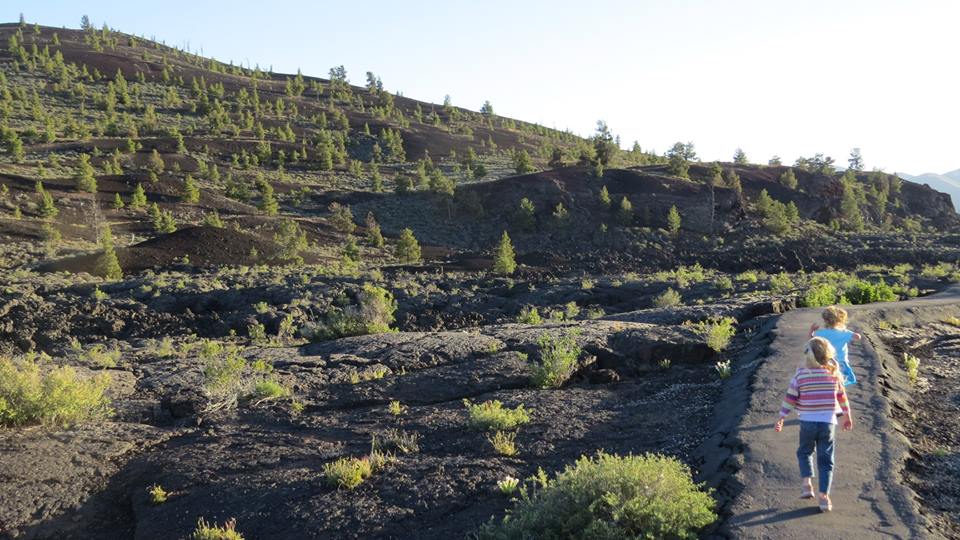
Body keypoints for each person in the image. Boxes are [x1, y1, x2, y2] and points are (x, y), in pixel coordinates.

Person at [775, 337, 854, 512]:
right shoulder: (833, 375)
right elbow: (842, 398)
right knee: (826, 461)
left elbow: (790, 398)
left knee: (804, 452)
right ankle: (824, 497)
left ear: (807, 356)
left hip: (807, 422)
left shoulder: (801, 375)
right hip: (827, 424)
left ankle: (806, 485)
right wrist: (847, 415)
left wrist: (782, 417)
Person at [809, 306, 861, 386]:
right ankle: (839, 395)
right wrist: (852, 333)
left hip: (826, 361)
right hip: (841, 362)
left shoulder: (821, 333)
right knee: (841, 382)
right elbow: (857, 337)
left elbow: (811, 340)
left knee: (828, 381)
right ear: (839, 320)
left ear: (825, 320)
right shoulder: (844, 332)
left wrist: (812, 330)